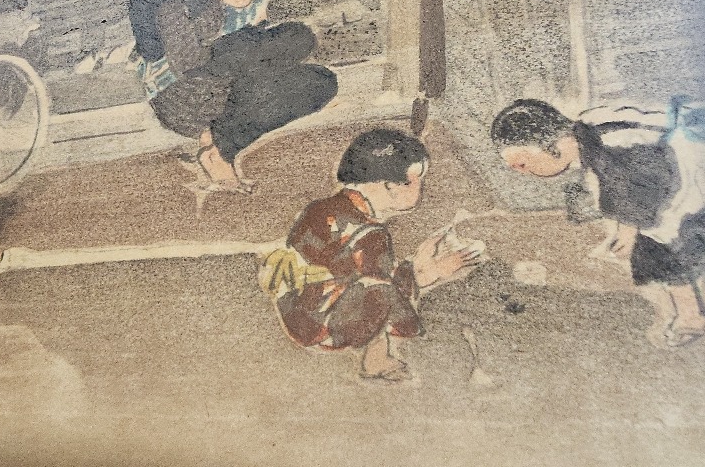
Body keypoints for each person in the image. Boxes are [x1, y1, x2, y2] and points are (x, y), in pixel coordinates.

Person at [128, 0, 337, 192]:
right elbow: (188, 59)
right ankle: (219, 148)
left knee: (299, 36)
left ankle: (217, 134)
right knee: (318, 82)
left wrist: (244, 29)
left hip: (199, 75)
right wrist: (243, 36)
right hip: (186, 94)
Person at [261, 128, 485, 380]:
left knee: (377, 284)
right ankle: (376, 360)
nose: (421, 187)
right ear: (391, 185)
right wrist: (430, 271)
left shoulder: (322, 208)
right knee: (381, 292)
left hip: (295, 309)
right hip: (322, 325)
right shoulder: (370, 234)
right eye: (416, 179)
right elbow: (385, 289)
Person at [491, 98, 705, 347]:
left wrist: (628, 230)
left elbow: (641, 183)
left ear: (551, 144)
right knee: (653, 247)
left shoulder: (613, 142)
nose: (525, 173)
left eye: (523, 164)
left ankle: (691, 315)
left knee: (669, 243)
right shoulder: (588, 136)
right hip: (673, 186)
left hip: (689, 175)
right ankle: (691, 314)